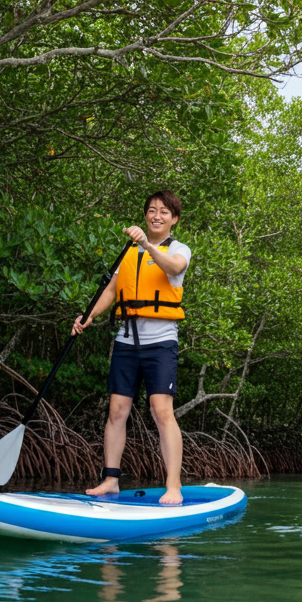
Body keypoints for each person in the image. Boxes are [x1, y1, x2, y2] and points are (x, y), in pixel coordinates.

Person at [71, 191, 192, 505]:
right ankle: (110, 480)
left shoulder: (179, 249)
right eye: (151, 210)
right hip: (126, 342)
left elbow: (173, 268)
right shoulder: (128, 252)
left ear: (174, 218)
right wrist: (88, 316)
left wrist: (147, 246)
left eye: (164, 212)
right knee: (116, 411)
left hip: (161, 342)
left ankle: (173, 485)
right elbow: (110, 291)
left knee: (161, 410)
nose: (156, 216)